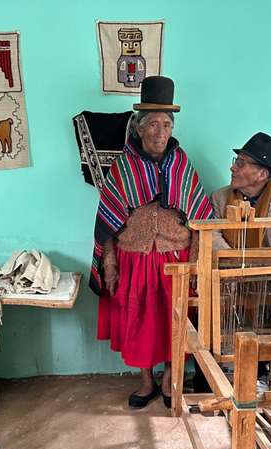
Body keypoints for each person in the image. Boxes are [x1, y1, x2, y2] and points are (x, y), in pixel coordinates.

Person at [90, 76, 214, 409]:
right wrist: (110, 262)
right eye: (154, 124)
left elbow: (201, 220)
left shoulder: (182, 164)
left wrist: (197, 264)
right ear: (140, 129)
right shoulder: (122, 167)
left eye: (167, 124)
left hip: (175, 259)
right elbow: (109, 223)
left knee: (175, 322)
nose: (161, 132)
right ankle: (146, 381)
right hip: (134, 258)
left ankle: (170, 378)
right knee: (139, 323)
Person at [192, 132, 271, 393]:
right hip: (226, 280)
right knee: (210, 313)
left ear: (262, 174)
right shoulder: (219, 198)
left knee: (262, 317)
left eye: (241, 163)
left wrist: (264, 266)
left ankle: (256, 375)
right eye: (236, 160)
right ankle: (209, 377)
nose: (232, 167)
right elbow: (211, 236)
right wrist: (236, 264)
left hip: (265, 287)